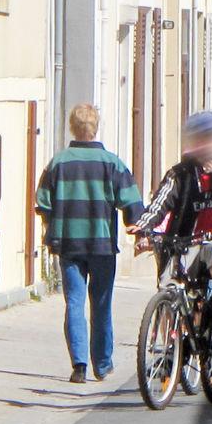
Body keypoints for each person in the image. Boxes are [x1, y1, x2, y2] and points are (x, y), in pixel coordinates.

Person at [34, 102, 144, 383]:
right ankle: (103, 363)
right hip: (102, 244)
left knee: (74, 302)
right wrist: (137, 226)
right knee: (102, 303)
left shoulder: (58, 163)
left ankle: (79, 364)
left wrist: (52, 225)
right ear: (96, 127)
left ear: (72, 127)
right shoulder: (112, 163)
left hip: (69, 243)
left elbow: (43, 202)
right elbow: (131, 202)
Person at [136, 110, 212, 326]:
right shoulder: (180, 174)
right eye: (198, 138)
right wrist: (144, 230)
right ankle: (171, 345)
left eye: (208, 138)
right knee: (168, 288)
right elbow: (160, 203)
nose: (203, 144)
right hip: (185, 244)